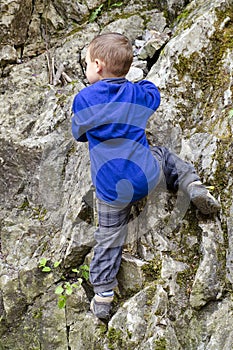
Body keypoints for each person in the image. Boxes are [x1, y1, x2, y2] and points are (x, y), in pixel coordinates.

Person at [71, 32, 220, 320]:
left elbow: (78, 133)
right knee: (164, 155)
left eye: (88, 62)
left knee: (109, 237)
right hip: (146, 176)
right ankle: (193, 185)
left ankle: (103, 296)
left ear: (98, 66)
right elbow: (154, 95)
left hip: (112, 188)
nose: (87, 67)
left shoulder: (84, 100)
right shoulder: (136, 94)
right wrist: (135, 81)